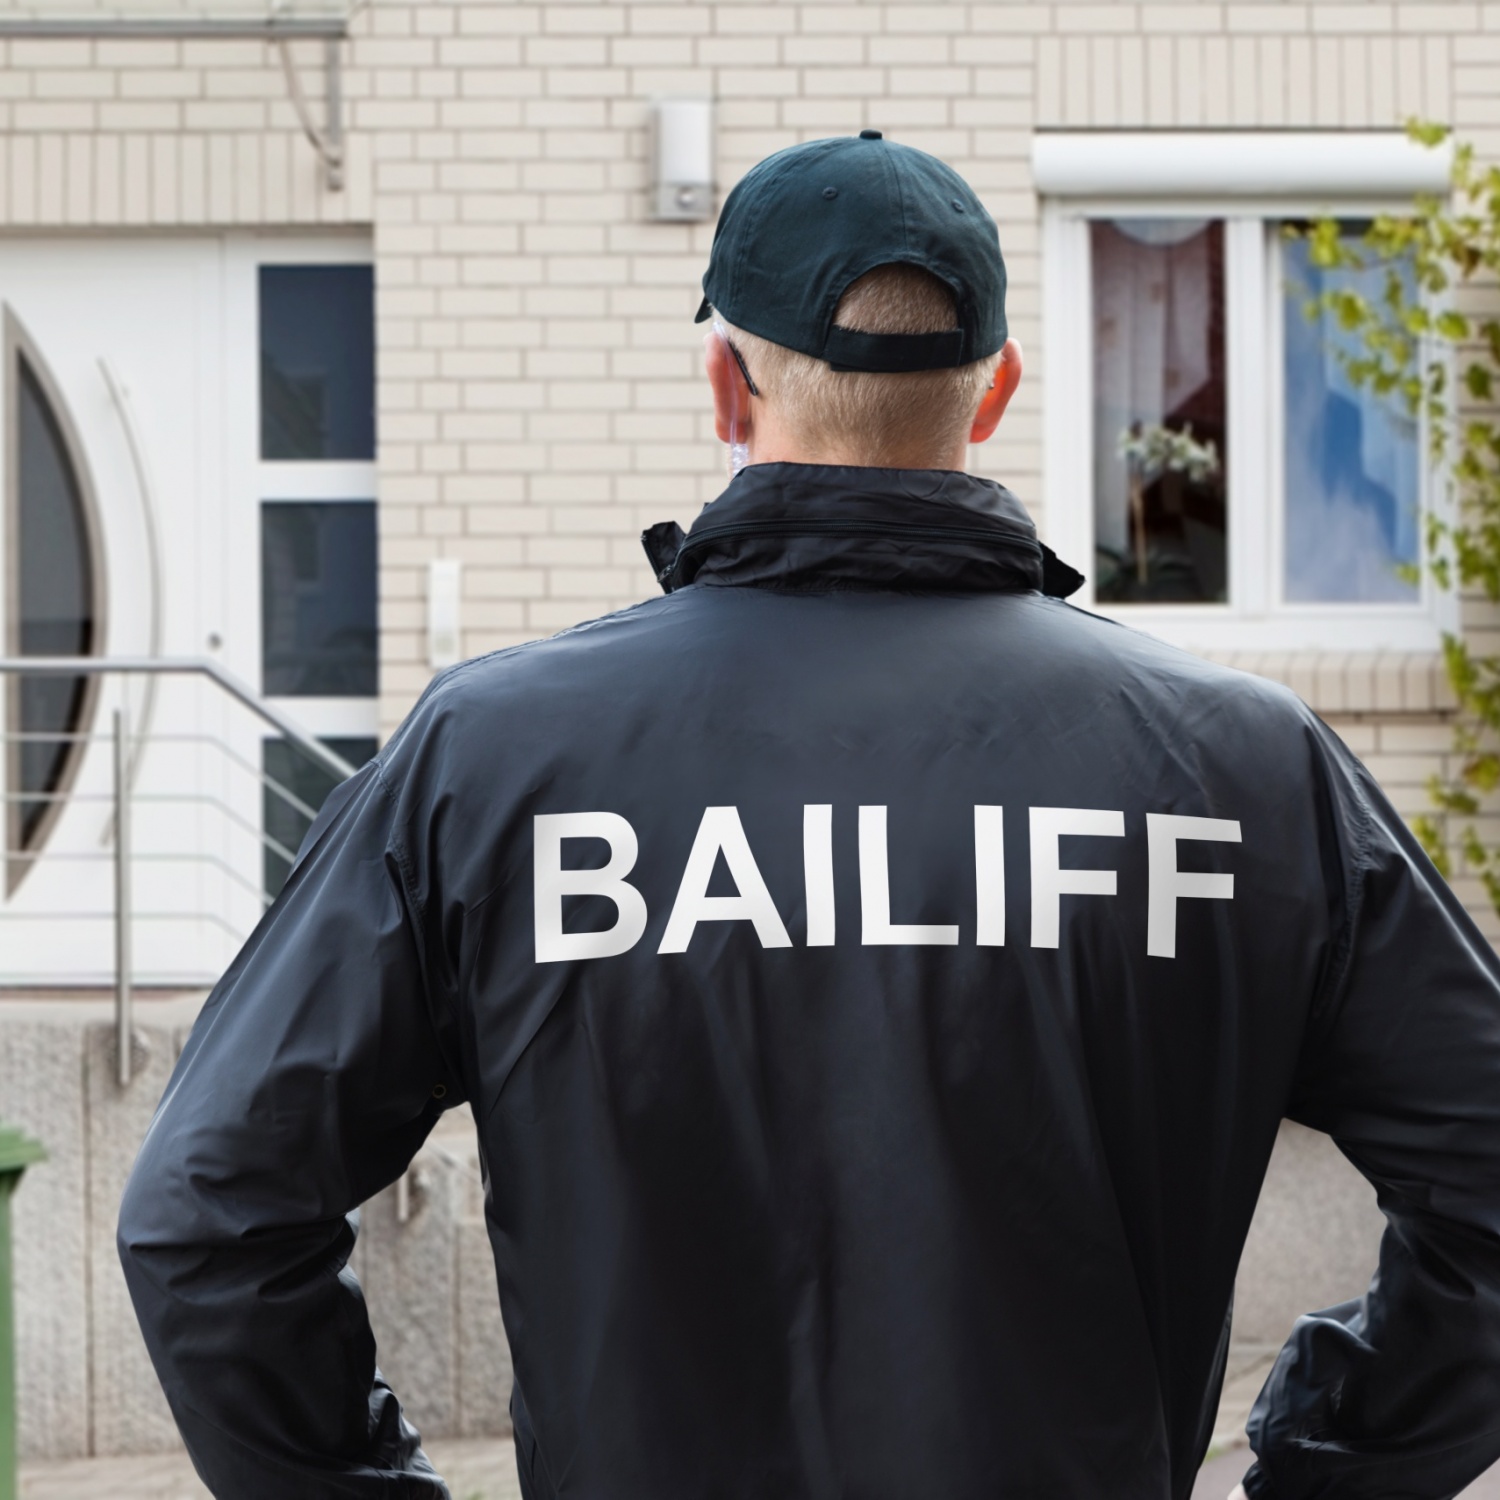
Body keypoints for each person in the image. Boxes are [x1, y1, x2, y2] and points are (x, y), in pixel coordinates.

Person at [118, 132, 1500, 1500]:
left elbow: (210, 1217)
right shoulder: (1239, 767)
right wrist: (1330, 1464)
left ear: (725, 382)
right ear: (998, 388)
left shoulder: (494, 759)